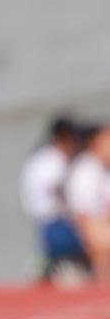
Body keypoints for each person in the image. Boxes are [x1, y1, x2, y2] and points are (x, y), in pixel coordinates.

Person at [19, 115, 89, 279]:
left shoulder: (48, 160)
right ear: (62, 137)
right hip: (55, 223)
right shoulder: (50, 162)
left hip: (56, 222)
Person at [64, 119, 110, 282]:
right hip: (85, 227)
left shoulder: (103, 171)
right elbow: (83, 217)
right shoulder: (85, 172)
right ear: (97, 142)